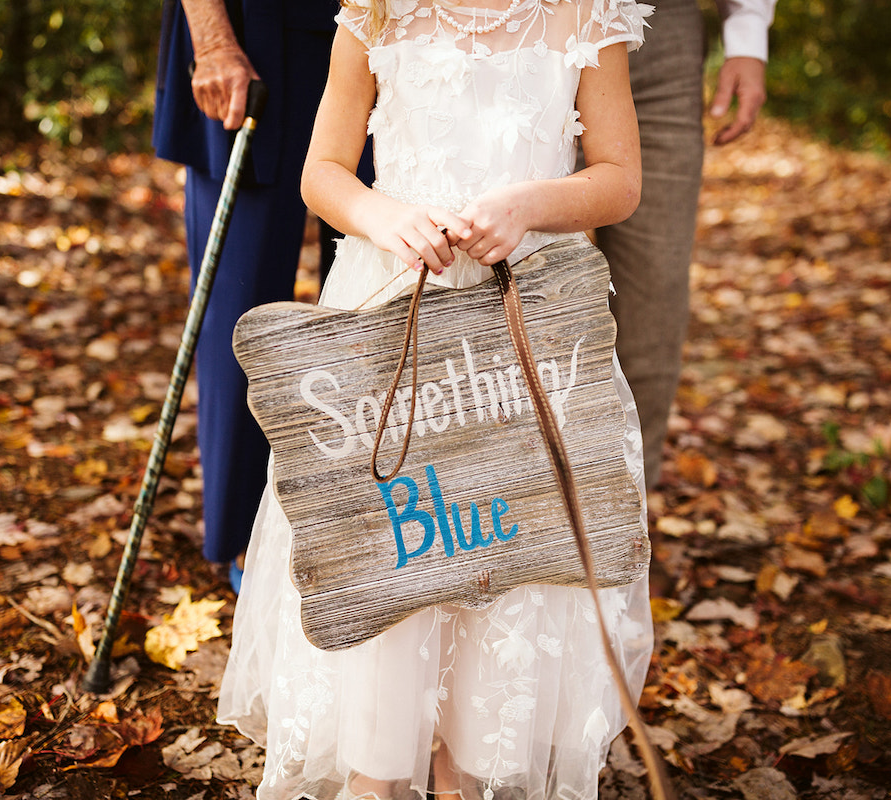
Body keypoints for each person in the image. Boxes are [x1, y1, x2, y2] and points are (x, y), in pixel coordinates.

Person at [217, 3, 655, 800]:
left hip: (522, 330)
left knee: (506, 543)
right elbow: (324, 171)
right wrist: (386, 216)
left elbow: (620, 179)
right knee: (399, 536)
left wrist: (528, 207)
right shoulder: (377, 14)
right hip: (391, 317)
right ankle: (378, 771)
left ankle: (468, 770)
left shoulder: (586, 17)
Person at [153, 0, 359, 588]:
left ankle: (362, 526)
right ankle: (244, 541)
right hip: (247, 31)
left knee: (376, 296)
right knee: (240, 310)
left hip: (386, 24)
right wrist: (213, 39)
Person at [599, 0, 776, 490]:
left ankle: (631, 524)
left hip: (659, 27)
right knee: (506, 273)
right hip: (515, 24)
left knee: (654, 290)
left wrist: (747, 27)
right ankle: (503, 521)